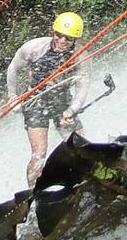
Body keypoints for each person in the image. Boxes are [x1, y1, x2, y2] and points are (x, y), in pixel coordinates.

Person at [6, 12, 85, 188]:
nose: (62, 41)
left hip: (62, 102)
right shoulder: (33, 47)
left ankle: (79, 181)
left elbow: (82, 87)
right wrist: (12, 96)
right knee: (39, 153)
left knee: (81, 147)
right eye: (59, 35)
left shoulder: (81, 56)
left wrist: (72, 110)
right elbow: (13, 68)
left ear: (76, 39)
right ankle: (32, 192)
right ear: (53, 32)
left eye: (69, 38)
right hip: (36, 102)